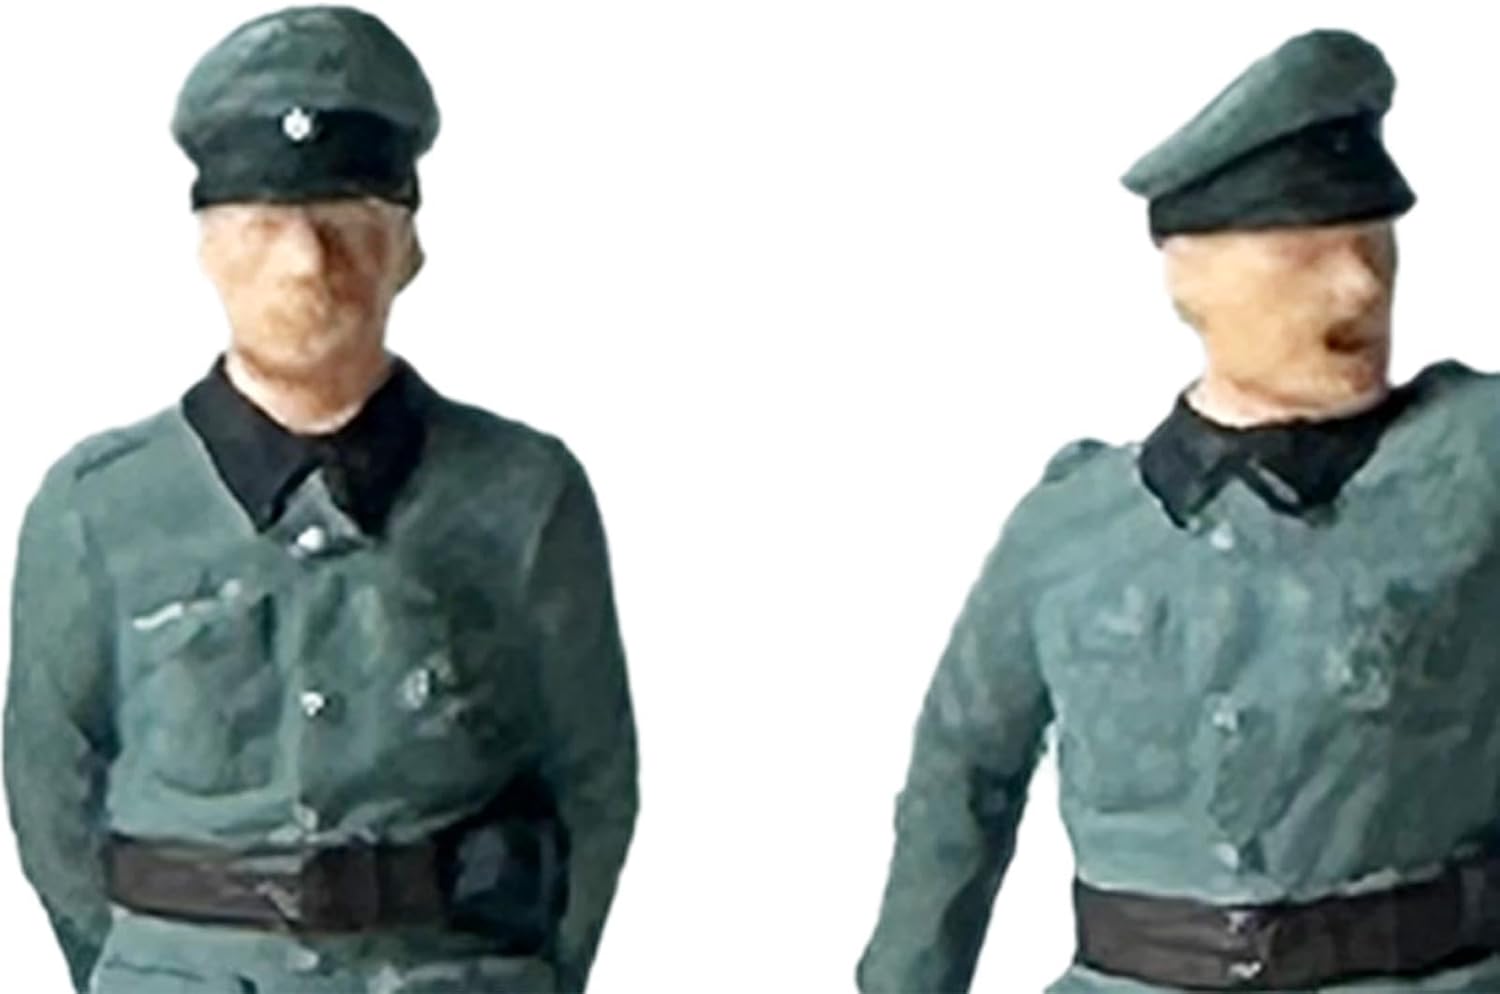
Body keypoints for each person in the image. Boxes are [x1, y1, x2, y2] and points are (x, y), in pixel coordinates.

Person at [3, 7, 638, 993]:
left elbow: (593, 784)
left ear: (410, 250)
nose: (306, 264)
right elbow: (48, 798)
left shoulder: (523, 496)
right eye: (264, 227)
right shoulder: (98, 511)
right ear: (205, 248)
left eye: (347, 226)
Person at [858, 28, 1500, 993]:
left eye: (1375, 246)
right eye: (1306, 257)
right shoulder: (1069, 529)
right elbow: (961, 785)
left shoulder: (1476, 460)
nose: (1360, 287)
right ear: (1189, 279)